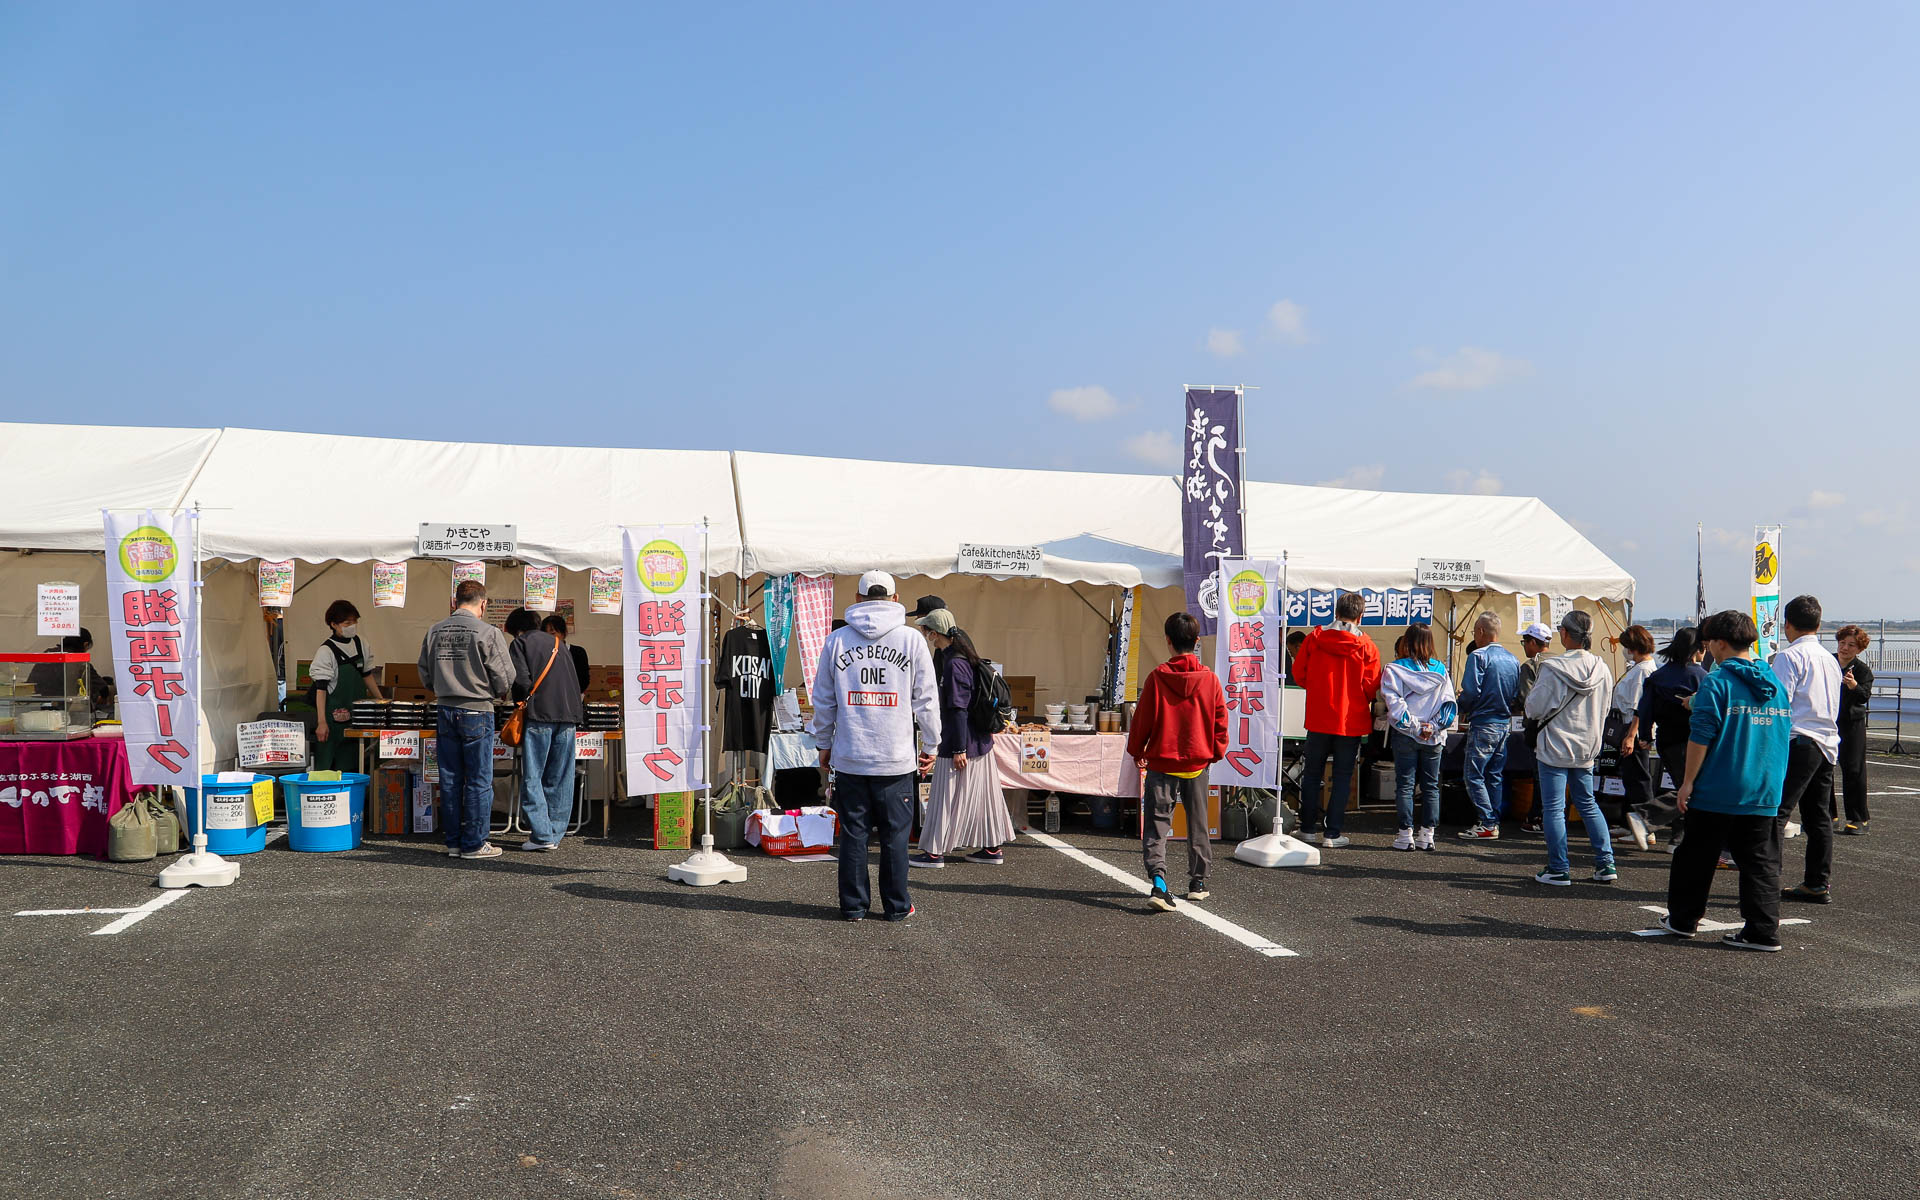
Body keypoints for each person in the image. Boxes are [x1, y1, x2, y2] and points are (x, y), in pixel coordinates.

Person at [809, 571, 941, 922]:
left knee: (854, 834)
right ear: (896, 600)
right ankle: (897, 907)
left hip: (851, 755)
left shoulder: (837, 640)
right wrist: (932, 743)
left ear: (858, 597)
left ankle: (853, 906)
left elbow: (823, 699)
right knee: (896, 836)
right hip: (895, 759)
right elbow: (927, 699)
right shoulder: (911, 640)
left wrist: (824, 741)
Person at [1661, 609, 1793, 951]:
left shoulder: (1718, 682)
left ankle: (1683, 919)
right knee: (1760, 862)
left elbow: (1700, 736)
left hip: (1720, 786)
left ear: (1719, 643)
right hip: (1764, 786)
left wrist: (1687, 782)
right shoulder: (1775, 684)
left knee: (1696, 855)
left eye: (1709, 642)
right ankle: (1763, 931)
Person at [1126, 611, 1228, 909]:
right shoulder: (1210, 680)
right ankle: (1197, 882)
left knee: (1157, 826)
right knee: (1198, 823)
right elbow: (1221, 721)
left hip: (1162, 763)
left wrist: (1138, 751)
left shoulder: (1157, 678)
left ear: (1168, 641)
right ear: (1197, 642)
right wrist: (1215, 752)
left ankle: (1159, 884)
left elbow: (1142, 720)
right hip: (1197, 764)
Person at [911, 609, 1016, 868]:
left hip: (961, 742)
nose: (925, 634)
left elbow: (958, 709)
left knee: (944, 796)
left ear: (935, 633)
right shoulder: (963, 656)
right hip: (979, 741)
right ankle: (992, 848)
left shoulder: (953, 663)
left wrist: (958, 748)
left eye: (926, 630)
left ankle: (934, 852)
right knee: (985, 796)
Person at [419, 580, 515, 860]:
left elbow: (424, 672)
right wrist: (495, 693)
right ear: (483, 604)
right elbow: (505, 676)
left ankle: (454, 843)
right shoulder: (489, 632)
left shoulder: (434, 630)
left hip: (445, 709)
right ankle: (474, 843)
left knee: (449, 778)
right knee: (478, 780)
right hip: (477, 710)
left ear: (455, 601)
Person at [1524, 611, 1617, 886]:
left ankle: (1558, 868)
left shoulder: (1553, 668)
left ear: (1565, 634)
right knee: (1588, 804)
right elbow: (1606, 708)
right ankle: (1605, 863)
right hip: (1587, 746)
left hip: (1555, 745)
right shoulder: (1602, 668)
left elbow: (1533, 708)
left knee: (1553, 808)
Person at [1292, 591, 1382, 849]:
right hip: (1350, 720)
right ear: (1361, 616)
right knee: (1342, 777)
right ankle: (1332, 833)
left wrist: (1319, 688)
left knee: (1311, 774)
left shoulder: (1314, 639)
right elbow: (1371, 686)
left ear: (1335, 612)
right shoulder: (1367, 646)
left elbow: (1299, 675)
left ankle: (1307, 829)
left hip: (1319, 717)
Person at [1770, 594, 1842, 905]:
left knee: (1776, 812)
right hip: (1827, 742)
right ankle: (1817, 883)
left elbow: (1778, 702)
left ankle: (1766, 879)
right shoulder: (1830, 658)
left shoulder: (1788, 657)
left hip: (1799, 740)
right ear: (1819, 623)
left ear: (1787, 624)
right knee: (1818, 818)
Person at [507, 607, 584, 851]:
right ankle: (554, 832)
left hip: (540, 715)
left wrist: (518, 702)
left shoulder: (520, 643)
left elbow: (521, 681)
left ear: (517, 629)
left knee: (533, 775)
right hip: (569, 716)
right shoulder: (557, 643)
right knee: (561, 777)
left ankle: (541, 836)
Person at [1629, 626, 1709, 849]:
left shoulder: (1658, 677)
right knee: (1693, 788)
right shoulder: (1704, 677)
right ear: (1697, 649)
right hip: (1696, 740)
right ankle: (1651, 820)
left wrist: (1645, 736)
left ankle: (1677, 836)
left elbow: (1644, 710)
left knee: (1682, 785)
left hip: (1667, 739)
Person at [1380, 623, 1457, 852]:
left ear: (1406, 641)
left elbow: (1394, 703)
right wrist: (1431, 727)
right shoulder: (1441, 670)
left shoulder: (1393, 669)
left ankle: (1406, 835)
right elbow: (1449, 704)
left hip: (1406, 735)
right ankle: (1428, 835)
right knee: (1431, 786)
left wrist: (1414, 727)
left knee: (1405, 785)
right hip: (1433, 738)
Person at [1456, 611, 1520, 839]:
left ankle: (1487, 822)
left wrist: (1458, 706)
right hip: (1505, 723)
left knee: (1473, 775)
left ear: (1480, 631)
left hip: (1483, 723)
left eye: (1474, 631)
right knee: (1494, 775)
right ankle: (1493, 821)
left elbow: (1471, 692)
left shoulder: (1478, 656)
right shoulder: (1513, 659)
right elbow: (1516, 694)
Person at [310, 600, 386, 773]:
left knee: (357, 761)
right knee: (332, 767)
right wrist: (322, 722)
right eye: (347, 623)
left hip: (357, 717)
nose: (352, 626)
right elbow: (321, 690)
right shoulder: (326, 651)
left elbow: (366, 675)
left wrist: (382, 702)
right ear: (334, 624)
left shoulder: (361, 643)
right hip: (332, 721)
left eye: (354, 622)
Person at [1611, 624, 1658, 846]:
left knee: (1639, 779)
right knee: (1631, 778)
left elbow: (1640, 707)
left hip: (1635, 730)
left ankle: (1647, 827)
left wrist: (1631, 735)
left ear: (1633, 647)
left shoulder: (1643, 671)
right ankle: (1629, 823)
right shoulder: (1638, 667)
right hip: (1629, 727)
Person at [1511, 621, 1556, 833]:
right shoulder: (1561, 661)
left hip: (1538, 729)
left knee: (1540, 775)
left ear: (1532, 642)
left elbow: (1527, 699)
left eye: (1524, 642)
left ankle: (1537, 817)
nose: (1523, 646)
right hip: (1561, 727)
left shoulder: (1531, 666)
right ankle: (1554, 818)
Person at [1833, 625, 1875, 835]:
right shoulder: (1828, 662)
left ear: (1859, 649)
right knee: (1822, 769)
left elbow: (1864, 696)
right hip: (1828, 721)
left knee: (1854, 770)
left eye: (1851, 645)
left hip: (1851, 725)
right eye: (1842, 643)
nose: (1845, 648)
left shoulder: (1862, 670)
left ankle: (1859, 818)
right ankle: (1828, 815)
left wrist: (1853, 685)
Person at [542, 614, 592, 699]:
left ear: (564, 633)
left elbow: (583, 681)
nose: (549, 638)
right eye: (545, 635)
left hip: (572, 701)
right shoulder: (541, 654)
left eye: (553, 633)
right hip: (547, 702)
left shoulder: (578, 652)